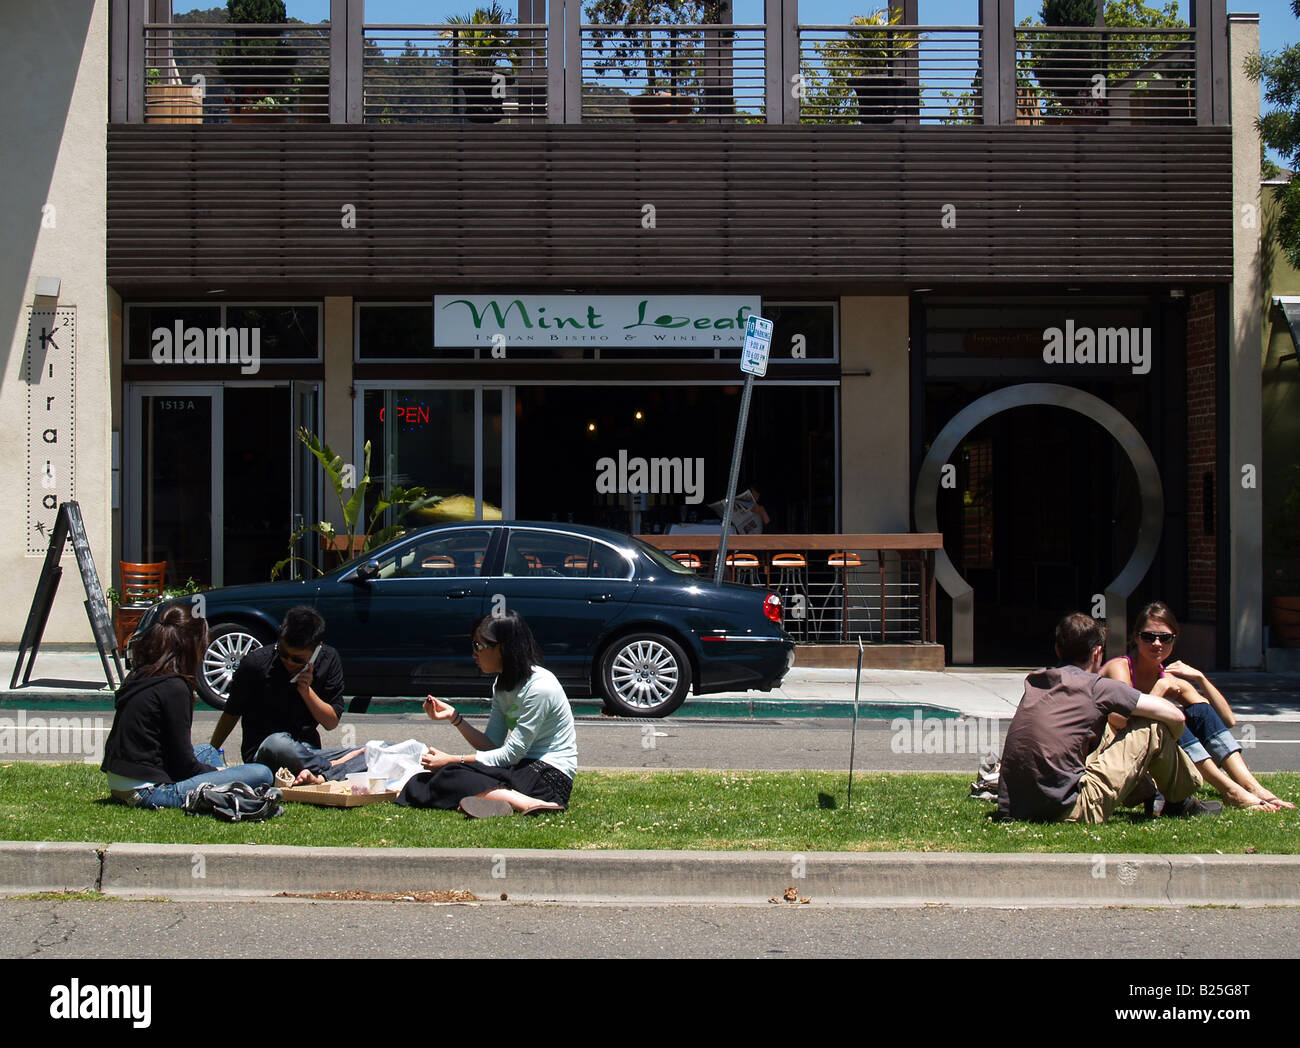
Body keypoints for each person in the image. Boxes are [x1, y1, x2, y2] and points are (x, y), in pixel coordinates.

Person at [997, 612, 1216, 823]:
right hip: (1067, 808)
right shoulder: (1096, 687)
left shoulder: (1036, 681)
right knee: (1151, 726)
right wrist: (1170, 735)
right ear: (1097, 653)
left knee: (1108, 731)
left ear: (1057, 648)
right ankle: (1182, 801)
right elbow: (1176, 716)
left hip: (1015, 807)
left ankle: (1151, 796)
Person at [1101, 601, 1294, 812]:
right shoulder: (1120, 667)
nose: (1157, 643)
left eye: (1165, 638)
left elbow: (1226, 720)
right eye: (1149, 637)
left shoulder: (1167, 678)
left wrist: (1201, 678)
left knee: (1199, 711)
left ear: (1174, 640)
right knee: (1169, 716)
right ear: (1136, 637)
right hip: (1111, 752)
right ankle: (1230, 790)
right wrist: (1159, 691)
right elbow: (1118, 721)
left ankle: (1252, 786)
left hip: (1146, 752)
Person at [397, 610, 576, 818]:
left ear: (502, 648)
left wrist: (452, 759)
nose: (474, 654)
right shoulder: (501, 684)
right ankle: (499, 798)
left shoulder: (540, 687)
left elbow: (511, 754)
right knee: (442, 775)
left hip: (549, 777)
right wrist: (455, 718)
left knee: (453, 771)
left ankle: (528, 802)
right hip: (518, 769)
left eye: (478, 646)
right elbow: (492, 744)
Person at [102, 604, 273, 808]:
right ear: (192, 645)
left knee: (209, 751)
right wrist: (219, 774)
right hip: (148, 790)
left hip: (122, 783)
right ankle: (223, 791)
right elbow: (184, 765)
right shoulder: (174, 687)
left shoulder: (142, 674)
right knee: (262, 773)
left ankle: (224, 789)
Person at [209, 606, 365, 785]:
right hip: (266, 751)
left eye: (297, 659)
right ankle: (331, 767)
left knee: (374, 751)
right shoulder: (256, 663)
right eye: (283, 654)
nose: (289, 662)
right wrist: (211, 750)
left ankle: (317, 775)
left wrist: (306, 692)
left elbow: (331, 722)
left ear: (317, 649)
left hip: (307, 752)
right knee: (279, 743)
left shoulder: (329, 659)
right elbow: (231, 713)